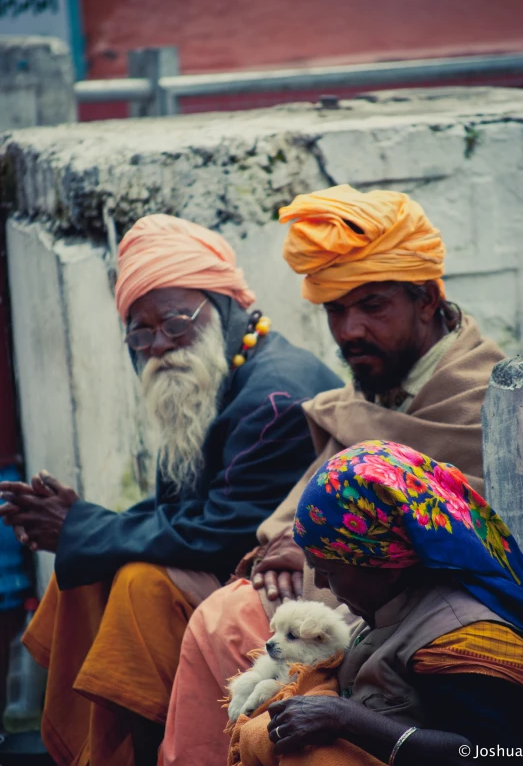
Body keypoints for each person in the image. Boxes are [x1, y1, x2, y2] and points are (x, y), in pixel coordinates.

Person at [159, 184, 506, 766]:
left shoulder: (488, 403)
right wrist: (288, 544)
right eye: (335, 310)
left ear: (426, 299)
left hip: (403, 615)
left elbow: (464, 535)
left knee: (228, 624)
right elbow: (301, 511)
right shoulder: (369, 387)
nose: (348, 331)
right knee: (197, 606)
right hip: (337, 600)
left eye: (372, 306)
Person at [0, 214, 342, 766]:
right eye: (141, 331)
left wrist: (81, 525)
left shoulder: (273, 397)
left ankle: (129, 746)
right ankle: (91, 745)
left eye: (177, 323)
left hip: (289, 582)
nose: (159, 345)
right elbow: (185, 510)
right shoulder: (214, 377)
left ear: (229, 306)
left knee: (138, 583)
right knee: (82, 568)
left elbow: (225, 529)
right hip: (233, 552)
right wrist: (80, 525)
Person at [231, 441, 523, 766]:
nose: (323, 584)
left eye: (329, 571)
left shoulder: (463, 639)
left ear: (385, 568)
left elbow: (503, 754)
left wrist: (349, 719)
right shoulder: (382, 609)